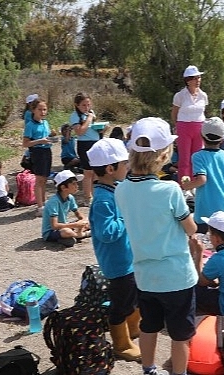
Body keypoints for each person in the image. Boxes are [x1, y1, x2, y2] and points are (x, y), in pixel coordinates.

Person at [115, 117, 199, 375]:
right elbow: (191, 229)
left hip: (145, 275)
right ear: (163, 155)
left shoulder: (121, 190)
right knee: (179, 334)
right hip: (176, 276)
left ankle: (148, 369)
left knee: (149, 326)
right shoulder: (170, 190)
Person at [87, 138, 141, 362]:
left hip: (128, 258)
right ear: (110, 169)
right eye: (124, 163)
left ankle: (133, 328)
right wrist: (126, 217)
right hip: (117, 264)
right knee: (120, 304)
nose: (127, 167)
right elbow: (106, 233)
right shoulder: (102, 200)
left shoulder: (113, 189)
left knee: (133, 296)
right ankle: (121, 344)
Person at [181, 116, 224, 234]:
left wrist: (186, 186)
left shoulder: (198, 156)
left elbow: (201, 180)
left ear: (201, 136)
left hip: (205, 210)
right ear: (222, 139)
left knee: (201, 244)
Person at [171, 65, 208, 181]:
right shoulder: (180, 96)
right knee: (184, 158)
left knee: (196, 157)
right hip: (184, 127)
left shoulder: (203, 95)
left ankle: (195, 183)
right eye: (194, 78)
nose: (198, 81)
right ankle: (185, 184)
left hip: (199, 127)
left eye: (199, 78)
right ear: (188, 80)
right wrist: (177, 127)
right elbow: (174, 113)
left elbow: (203, 111)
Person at [22, 98, 54, 216]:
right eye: (40, 109)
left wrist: (52, 137)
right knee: (39, 179)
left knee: (45, 179)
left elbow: (47, 135)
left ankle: (43, 202)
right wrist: (40, 141)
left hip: (47, 151)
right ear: (33, 110)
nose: (43, 112)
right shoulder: (30, 125)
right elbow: (25, 143)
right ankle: (40, 206)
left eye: (45, 109)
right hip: (37, 152)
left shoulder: (45, 122)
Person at [41, 170, 89, 248]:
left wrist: (83, 221)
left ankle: (73, 236)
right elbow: (54, 226)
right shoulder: (54, 202)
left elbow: (78, 214)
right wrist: (76, 225)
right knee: (66, 231)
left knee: (89, 220)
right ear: (63, 187)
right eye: (74, 184)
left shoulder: (70, 197)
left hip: (65, 225)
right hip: (51, 232)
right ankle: (82, 234)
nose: (77, 186)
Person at [70, 92, 102, 205]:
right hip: (84, 144)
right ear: (77, 105)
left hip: (96, 142)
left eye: (88, 104)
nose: (87, 107)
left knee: (97, 171)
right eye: (84, 105)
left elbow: (92, 129)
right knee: (88, 172)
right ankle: (88, 197)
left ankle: (95, 195)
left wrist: (102, 129)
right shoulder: (75, 116)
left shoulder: (91, 113)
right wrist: (89, 118)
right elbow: (80, 131)